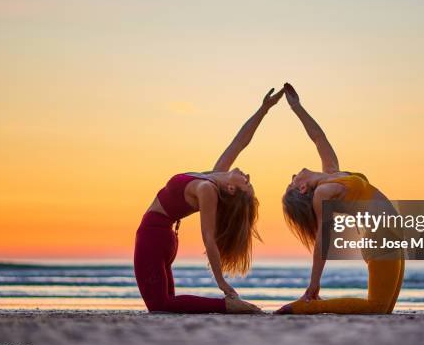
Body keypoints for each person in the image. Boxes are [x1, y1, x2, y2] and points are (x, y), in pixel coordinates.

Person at [134, 88, 284, 313]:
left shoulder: (207, 189)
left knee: (160, 305)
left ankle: (227, 306)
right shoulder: (214, 177)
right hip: (163, 237)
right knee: (166, 306)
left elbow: (208, 239)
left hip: (153, 236)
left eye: (247, 182)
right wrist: (264, 110)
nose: (247, 176)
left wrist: (221, 283)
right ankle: (228, 306)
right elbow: (240, 142)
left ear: (233, 188)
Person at [275, 83, 405, 314]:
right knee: (377, 307)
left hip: (391, 234)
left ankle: (308, 306)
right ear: (303, 188)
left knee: (385, 310)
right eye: (292, 181)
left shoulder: (330, 176)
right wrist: (314, 282)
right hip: (380, 235)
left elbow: (318, 138)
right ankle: (305, 307)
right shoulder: (324, 193)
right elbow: (322, 241)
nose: (294, 175)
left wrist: (297, 107)